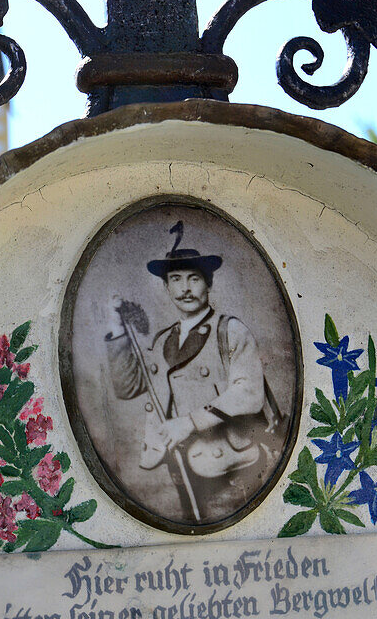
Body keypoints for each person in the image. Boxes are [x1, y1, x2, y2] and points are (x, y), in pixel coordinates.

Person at [104, 222, 281, 522]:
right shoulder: (163, 340)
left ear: (209, 284)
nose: (185, 289)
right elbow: (128, 387)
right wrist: (117, 328)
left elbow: (248, 393)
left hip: (233, 462)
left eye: (194, 279)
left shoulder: (230, 331)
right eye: (175, 279)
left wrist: (189, 422)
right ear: (166, 287)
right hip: (182, 463)